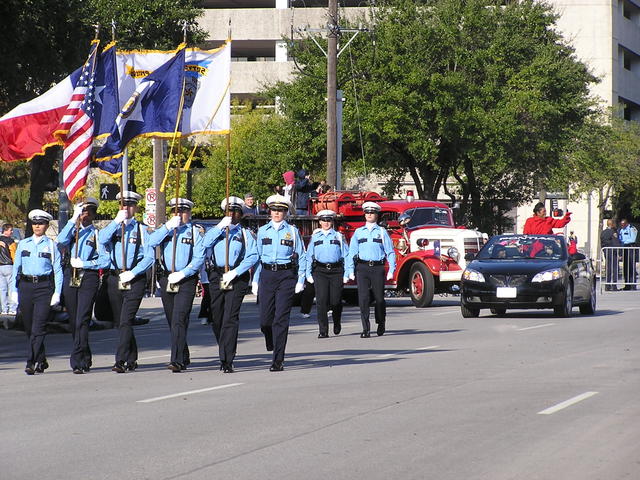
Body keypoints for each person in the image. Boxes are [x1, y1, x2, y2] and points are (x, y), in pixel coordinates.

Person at [199, 196, 258, 373]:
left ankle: (227, 358)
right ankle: (223, 346)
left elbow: (253, 255)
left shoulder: (245, 234)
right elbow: (203, 245)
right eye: (229, 212)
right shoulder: (214, 231)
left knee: (230, 317)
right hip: (217, 276)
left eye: (236, 212)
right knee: (217, 318)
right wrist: (219, 228)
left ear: (241, 215)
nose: (232, 215)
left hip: (236, 277)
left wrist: (236, 271)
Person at [147, 198, 205, 372]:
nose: (179, 215)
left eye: (183, 211)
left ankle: (177, 360)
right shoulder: (165, 230)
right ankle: (184, 353)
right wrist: (167, 227)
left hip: (186, 280)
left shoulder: (195, 232)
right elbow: (150, 243)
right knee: (172, 320)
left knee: (179, 318)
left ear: (189, 213)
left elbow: (199, 257)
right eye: (176, 211)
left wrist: (183, 273)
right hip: (166, 279)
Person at [98, 191, 153, 373]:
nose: (126, 208)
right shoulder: (113, 228)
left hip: (134, 279)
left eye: (130, 205)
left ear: (135, 207)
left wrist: (133, 272)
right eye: (123, 205)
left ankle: (120, 360)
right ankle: (132, 357)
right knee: (121, 322)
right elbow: (102, 239)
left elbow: (149, 257)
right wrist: (115, 221)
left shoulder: (142, 230)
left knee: (125, 320)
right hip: (115, 278)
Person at [253, 194, 306, 371]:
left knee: (281, 319)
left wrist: (301, 278)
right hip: (267, 275)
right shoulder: (262, 231)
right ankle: (270, 338)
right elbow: (257, 258)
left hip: (286, 276)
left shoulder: (292, 231)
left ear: (285, 212)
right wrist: (255, 281)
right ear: (270, 211)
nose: (277, 213)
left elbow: (302, 256)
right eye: (274, 210)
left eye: (281, 210)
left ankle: (278, 360)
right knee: (265, 320)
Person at [57, 198, 109, 374]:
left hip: (88, 277)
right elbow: (60, 240)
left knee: (83, 317)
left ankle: (77, 359)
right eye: (82, 211)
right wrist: (73, 218)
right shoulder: (73, 232)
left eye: (88, 212)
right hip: (70, 275)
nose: (84, 215)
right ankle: (84, 355)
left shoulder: (97, 235)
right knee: (74, 320)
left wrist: (85, 264)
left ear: (94, 215)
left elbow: (105, 260)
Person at [10, 210, 63, 375]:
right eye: (34, 223)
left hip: (44, 287)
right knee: (29, 327)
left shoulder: (51, 245)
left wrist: (57, 293)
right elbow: (16, 269)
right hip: (26, 286)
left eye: (40, 223)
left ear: (47, 225)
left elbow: (58, 271)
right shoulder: (23, 244)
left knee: (38, 327)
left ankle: (31, 361)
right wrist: (13, 289)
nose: (37, 226)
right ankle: (41, 359)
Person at [346, 201, 396, 337]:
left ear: (376, 215)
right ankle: (365, 328)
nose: (369, 215)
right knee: (363, 299)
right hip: (362, 268)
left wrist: (392, 269)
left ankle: (381, 321)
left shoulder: (381, 231)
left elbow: (390, 252)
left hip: (377, 267)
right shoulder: (358, 232)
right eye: (367, 212)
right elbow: (352, 252)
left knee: (379, 299)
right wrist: (350, 270)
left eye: (372, 212)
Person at [305, 210, 349, 338]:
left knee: (336, 300)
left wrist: (347, 272)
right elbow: (309, 256)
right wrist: (308, 273)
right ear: (319, 222)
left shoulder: (339, 237)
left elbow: (346, 255)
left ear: (332, 222)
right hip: (320, 271)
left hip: (336, 270)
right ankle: (323, 330)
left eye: (329, 220)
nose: (326, 223)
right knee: (321, 300)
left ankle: (336, 321)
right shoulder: (315, 237)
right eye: (324, 220)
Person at [0, 223, 17, 314]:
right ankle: (12, 309)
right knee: (11, 288)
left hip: (0, 267)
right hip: (9, 266)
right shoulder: (10, 241)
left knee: (2, 289)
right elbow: (13, 254)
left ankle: (4, 309)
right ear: (5, 230)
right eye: (11, 230)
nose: (12, 232)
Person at [601, 219, 621, 291]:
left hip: (606, 251)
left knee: (608, 268)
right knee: (615, 268)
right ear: (612, 224)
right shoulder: (613, 232)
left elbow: (602, 243)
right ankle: (614, 285)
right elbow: (616, 243)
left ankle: (607, 285)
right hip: (613, 252)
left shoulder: (603, 232)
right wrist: (619, 253)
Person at [618, 218, 638, 290]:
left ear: (626, 223)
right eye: (621, 225)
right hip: (625, 248)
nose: (622, 226)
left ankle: (632, 284)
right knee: (626, 267)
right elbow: (620, 238)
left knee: (631, 266)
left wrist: (623, 241)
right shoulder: (621, 230)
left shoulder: (631, 228)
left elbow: (633, 239)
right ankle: (627, 285)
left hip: (631, 247)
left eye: (623, 224)